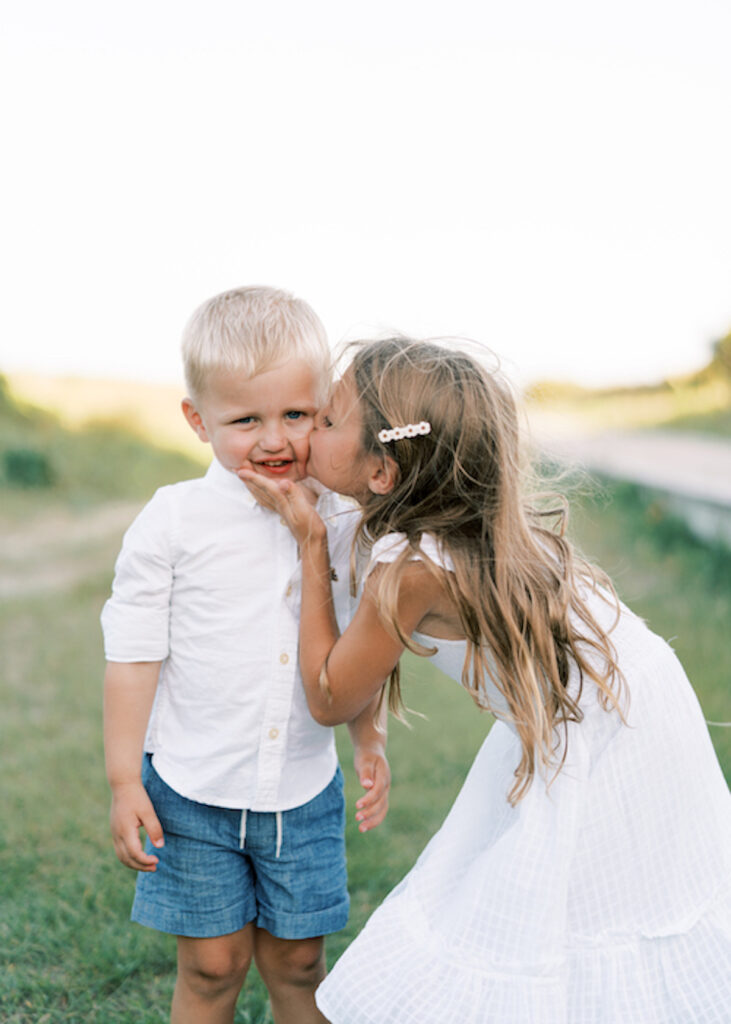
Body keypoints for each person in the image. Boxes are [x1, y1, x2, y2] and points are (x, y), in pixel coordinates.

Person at [242, 336, 731, 1024]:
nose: (308, 423)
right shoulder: (469, 524)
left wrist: (310, 541)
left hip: (605, 734)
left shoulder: (413, 572)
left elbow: (329, 696)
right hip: (620, 703)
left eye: (325, 420)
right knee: (579, 907)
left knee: (543, 912)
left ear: (383, 472)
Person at [101, 287, 390, 1024]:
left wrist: (368, 740)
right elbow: (133, 655)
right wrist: (123, 780)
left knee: (299, 963)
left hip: (300, 786)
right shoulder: (173, 520)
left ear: (323, 407)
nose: (274, 440)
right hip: (192, 789)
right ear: (198, 420)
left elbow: (358, 643)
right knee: (211, 964)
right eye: (244, 420)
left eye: (295, 415)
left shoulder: (339, 516)